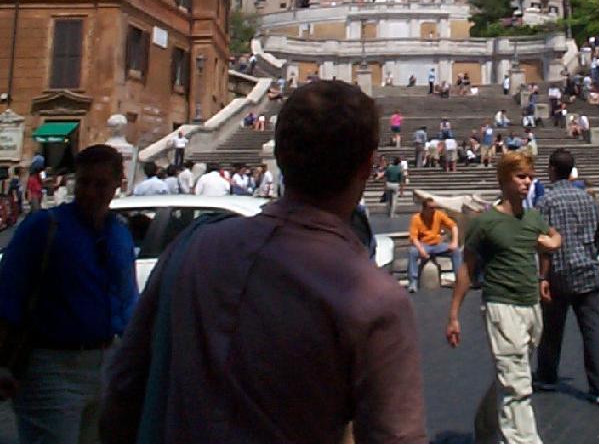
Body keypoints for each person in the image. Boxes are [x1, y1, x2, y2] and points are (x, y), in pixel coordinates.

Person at [101, 80, 428, 443]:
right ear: (368, 166)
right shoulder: (374, 299)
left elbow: (123, 388)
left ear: (281, 156)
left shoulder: (189, 248)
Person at [0, 145, 137, 444]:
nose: (89, 192)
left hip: (103, 363)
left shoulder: (119, 233)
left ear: (118, 185)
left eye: (100, 184)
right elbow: (9, 293)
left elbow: (127, 300)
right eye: (84, 182)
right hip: (50, 365)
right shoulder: (43, 227)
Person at [446, 152, 560, 444]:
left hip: (530, 306)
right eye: (521, 176)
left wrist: (551, 251)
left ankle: (485, 428)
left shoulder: (533, 217)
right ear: (504, 179)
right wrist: (454, 315)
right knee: (517, 382)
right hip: (500, 305)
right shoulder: (485, 223)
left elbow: (552, 238)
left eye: (530, 177)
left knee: (512, 374)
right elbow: (467, 269)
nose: (527, 182)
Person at [535, 149, 599, 405]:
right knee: (592, 330)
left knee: (552, 329)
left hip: (557, 273)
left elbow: (542, 242)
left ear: (552, 170)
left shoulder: (546, 202)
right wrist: (594, 252)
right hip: (587, 271)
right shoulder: (587, 199)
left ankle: (547, 376)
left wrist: (541, 276)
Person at [407, 197, 462, 293]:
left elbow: (453, 226)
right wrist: (421, 249)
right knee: (412, 252)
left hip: (437, 245)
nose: (433, 210)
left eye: (435, 207)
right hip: (423, 245)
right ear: (424, 208)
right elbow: (414, 238)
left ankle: (459, 280)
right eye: (431, 208)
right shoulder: (416, 218)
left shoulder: (439, 215)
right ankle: (413, 281)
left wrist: (455, 242)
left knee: (456, 251)